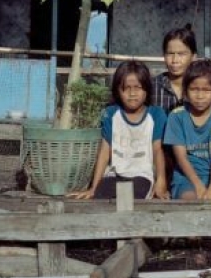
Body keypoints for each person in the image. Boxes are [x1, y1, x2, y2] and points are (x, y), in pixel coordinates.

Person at [68, 60, 169, 200]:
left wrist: (161, 181)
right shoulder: (111, 114)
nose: (132, 93)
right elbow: (105, 151)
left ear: (146, 89)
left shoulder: (156, 115)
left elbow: (158, 150)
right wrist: (93, 187)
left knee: (132, 197)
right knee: (101, 195)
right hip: (114, 175)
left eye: (138, 87)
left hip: (142, 176)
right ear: (117, 90)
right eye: (126, 88)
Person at [163, 58, 211, 200]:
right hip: (185, 177)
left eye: (206, 90)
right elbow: (181, 158)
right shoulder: (176, 117)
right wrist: (198, 186)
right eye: (194, 89)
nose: (200, 96)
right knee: (189, 200)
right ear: (185, 91)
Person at [153, 25, 197, 114]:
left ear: (193, 57)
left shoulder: (204, 88)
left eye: (181, 54)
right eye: (170, 53)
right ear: (164, 56)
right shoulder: (151, 87)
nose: (175, 60)